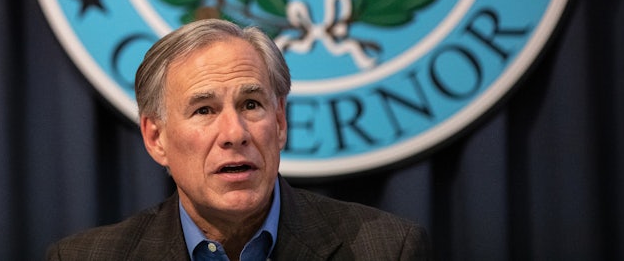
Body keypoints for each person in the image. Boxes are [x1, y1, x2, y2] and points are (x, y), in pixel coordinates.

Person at [46, 18, 431, 260]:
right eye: (204, 110)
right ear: (155, 137)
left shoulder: (388, 249)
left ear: (279, 121)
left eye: (251, 104)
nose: (234, 134)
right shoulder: (82, 257)